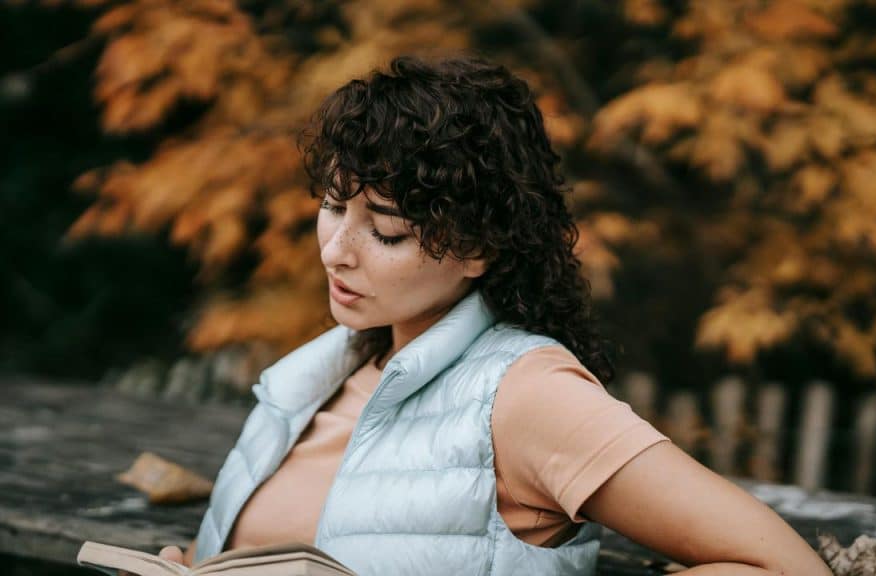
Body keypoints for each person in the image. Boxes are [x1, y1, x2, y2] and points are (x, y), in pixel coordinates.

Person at [155, 55, 832, 575]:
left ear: (476, 245)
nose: (336, 252)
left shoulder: (526, 395)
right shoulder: (309, 379)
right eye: (333, 206)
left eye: (385, 232)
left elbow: (789, 567)